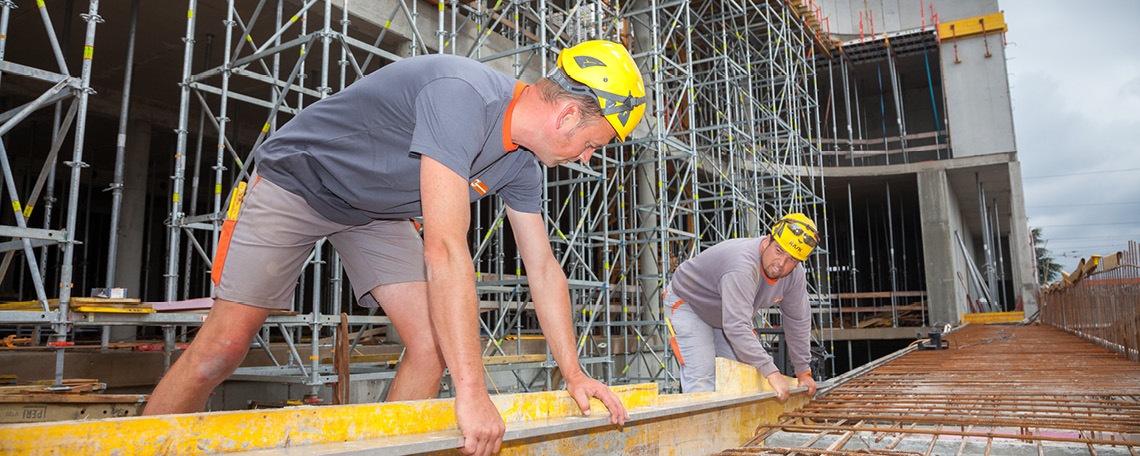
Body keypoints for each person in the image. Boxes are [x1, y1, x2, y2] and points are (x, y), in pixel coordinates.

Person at [142, 40, 646, 456]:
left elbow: (543, 267)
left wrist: (574, 373)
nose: (584, 157)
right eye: (591, 145)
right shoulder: (462, 95)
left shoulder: (522, 165)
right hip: (300, 181)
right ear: (565, 116)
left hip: (372, 212)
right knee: (223, 349)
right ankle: (143, 447)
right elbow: (445, 248)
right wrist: (472, 394)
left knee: (430, 343)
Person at [664, 213, 820, 399]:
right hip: (690, 303)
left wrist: (803, 371)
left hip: (726, 313)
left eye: (792, 260)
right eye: (778, 251)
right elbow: (736, 326)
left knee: (742, 376)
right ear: (767, 240)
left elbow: (797, 320)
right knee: (702, 382)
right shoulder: (742, 266)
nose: (781, 264)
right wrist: (772, 372)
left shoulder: (794, 276)